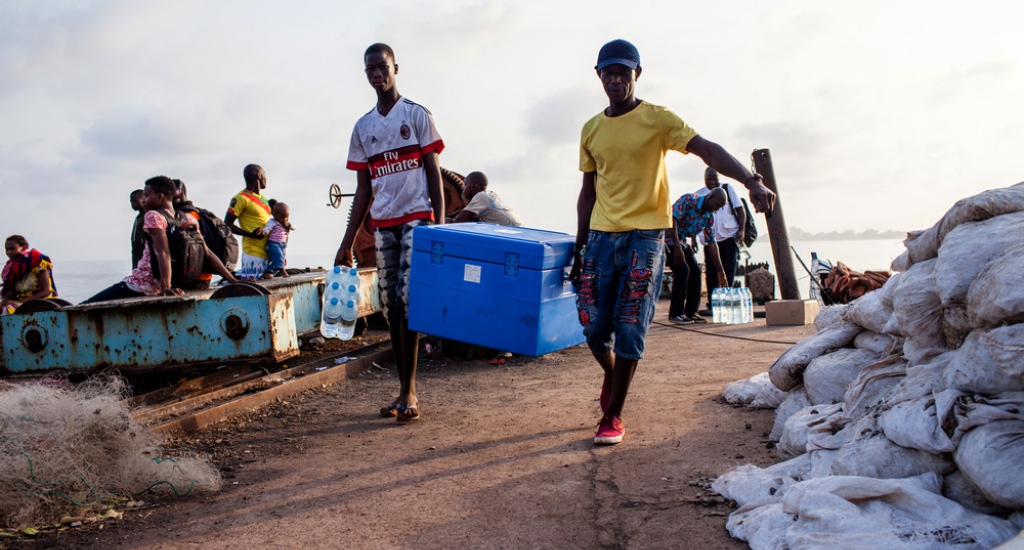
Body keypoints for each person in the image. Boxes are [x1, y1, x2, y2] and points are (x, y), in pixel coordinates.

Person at [571, 39, 775, 445]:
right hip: (600, 238)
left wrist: (750, 181)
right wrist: (580, 249)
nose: (615, 79)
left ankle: (613, 415)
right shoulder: (591, 129)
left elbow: (708, 150)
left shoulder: (658, 119)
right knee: (592, 327)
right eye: (607, 72)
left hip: (646, 237)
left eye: (622, 72)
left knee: (630, 326)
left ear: (636, 75)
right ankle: (613, 375)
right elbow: (588, 192)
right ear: (598, 76)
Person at [334, 43, 445, 424]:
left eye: (382, 67)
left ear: (395, 67)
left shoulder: (416, 115)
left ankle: (410, 390)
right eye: (370, 69)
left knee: (407, 300)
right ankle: (401, 391)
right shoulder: (363, 127)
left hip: (416, 218)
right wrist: (347, 241)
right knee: (390, 306)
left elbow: (434, 172)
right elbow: (363, 189)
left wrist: (439, 226)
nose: (376, 74)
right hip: (383, 223)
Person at [83, 176, 239, 303]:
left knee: (87, 305)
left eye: (147, 195)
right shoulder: (189, 219)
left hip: (141, 285)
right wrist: (232, 280)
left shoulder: (153, 216)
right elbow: (208, 254)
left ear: (159, 197)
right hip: (172, 284)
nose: (144, 200)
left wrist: (165, 287)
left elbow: (163, 252)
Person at [665, 187, 729, 324]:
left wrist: (720, 270)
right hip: (666, 238)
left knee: (696, 271)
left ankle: (691, 312)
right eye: (717, 205)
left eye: (720, 208)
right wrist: (676, 246)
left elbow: (712, 243)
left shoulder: (709, 217)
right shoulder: (689, 200)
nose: (717, 209)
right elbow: (672, 219)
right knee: (683, 271)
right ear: (710, 196)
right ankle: (675, 314)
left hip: (681, 242)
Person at [695, 167, 746, 314]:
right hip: (710, 240)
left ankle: (727, 301)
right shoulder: (699, 194)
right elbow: (694, 218)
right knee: (711, 272)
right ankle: (713, 302)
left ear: (719, 178)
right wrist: (693, 241)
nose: (712, 182)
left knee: (729, 271)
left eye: (714, 179)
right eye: (709, 179)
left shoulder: (728, 190)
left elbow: (740, 210)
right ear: (704, 179)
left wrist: (741, 230)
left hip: (729, 237)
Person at [224, 164, 272, 279]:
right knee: (255, 291)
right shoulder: (241, 198)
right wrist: (250, 234)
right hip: (253, 254)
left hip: (268, 254)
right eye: (264, 174)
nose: (266, 177)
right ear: (258, 175)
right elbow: (227, 224)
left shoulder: (264, 198)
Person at [173, 180, 215, 289]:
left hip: (193, 276)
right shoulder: (196, 212)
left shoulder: (186, 216)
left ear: (179, 193)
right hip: (201, 274)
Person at [1, 235, 58, 314]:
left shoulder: (38, 262)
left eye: (12, 249)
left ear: (23, 247)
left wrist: (21, 301)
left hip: (41, 303)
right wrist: (5, 300)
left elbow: (45, 291)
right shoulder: (12, 268)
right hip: (19, 303)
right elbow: (9, 294)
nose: (9, 252)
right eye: (7, 249)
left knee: (8, 311)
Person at [448, 171, 522, 226]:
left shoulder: (481, 196)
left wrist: (447, 221)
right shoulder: (489, 196)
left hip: (514, 234)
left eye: (465, 185)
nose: (463, 188)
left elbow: (459, 221)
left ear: (474, 186)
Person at [263, 201, 293, 278]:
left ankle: (268, 272)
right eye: (281, 218)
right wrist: (264, 232)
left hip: (283, 244)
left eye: (286, 217)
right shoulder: (273, 222)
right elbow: (267, 228)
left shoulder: (286, 222)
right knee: (278, 257)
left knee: (278, 259)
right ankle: (282, 271)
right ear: (275, 215)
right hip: (273, 243)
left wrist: (289, 225)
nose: (284, 219)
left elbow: (294, 227)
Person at [130, 189, 146, 269]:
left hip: (144, 264)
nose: (132, 204)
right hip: (137, 263)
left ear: (144, 200)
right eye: (131, 201)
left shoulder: (147, 217)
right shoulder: (138, 218)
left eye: (135, 201)